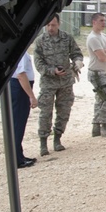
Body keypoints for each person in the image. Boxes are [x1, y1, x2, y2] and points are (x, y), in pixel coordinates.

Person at [33, 13, 84, 155]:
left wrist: (78, 62)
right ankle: (43, 143)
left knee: (64, 111)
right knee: (45, 113)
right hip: (48, 83)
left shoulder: (67, 38)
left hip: (66, 82)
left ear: (59, 24)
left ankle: (57, 139)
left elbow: (76, 53)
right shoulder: (40, 41)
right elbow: (38, 63)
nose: (50, 28)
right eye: (48, 25)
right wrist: (52, 71)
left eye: (53, 25)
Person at [86, 12, 106, 138]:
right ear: (94, 22)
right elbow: (102, 58)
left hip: (104, 73)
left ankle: (96, 127)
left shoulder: (104, 36)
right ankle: (104, 126)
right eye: (101, 21)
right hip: (96, 73)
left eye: (104, 20)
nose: (103, 23)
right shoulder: (93, 38)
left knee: (100, 99)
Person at [9, 49, 38, 168]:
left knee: (18, 123)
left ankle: (19, 155)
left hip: (19, 86)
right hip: (19, 87)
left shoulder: (23, 52)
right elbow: (21, 75)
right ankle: (16, 159)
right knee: (17, 124)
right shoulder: (21, 53)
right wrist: (31, 96)